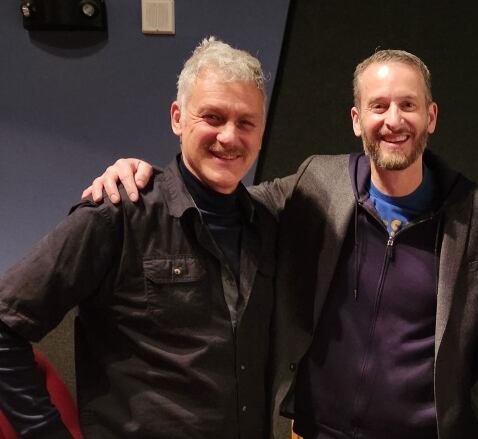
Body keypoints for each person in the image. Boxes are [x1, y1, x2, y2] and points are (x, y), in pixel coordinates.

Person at [85, 50, 478, 439]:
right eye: (379, 106)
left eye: (408, 105)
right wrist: (148, 173)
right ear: (355, 119)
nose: (393, 119)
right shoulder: (315, 183)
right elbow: (226, 199)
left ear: (431, 116)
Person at [0, 37, 276, 438]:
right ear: (178, 118)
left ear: (262, 131)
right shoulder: (118, 212)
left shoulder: (266, 223)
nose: (230, 137)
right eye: (213, 117)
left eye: (245, 122)